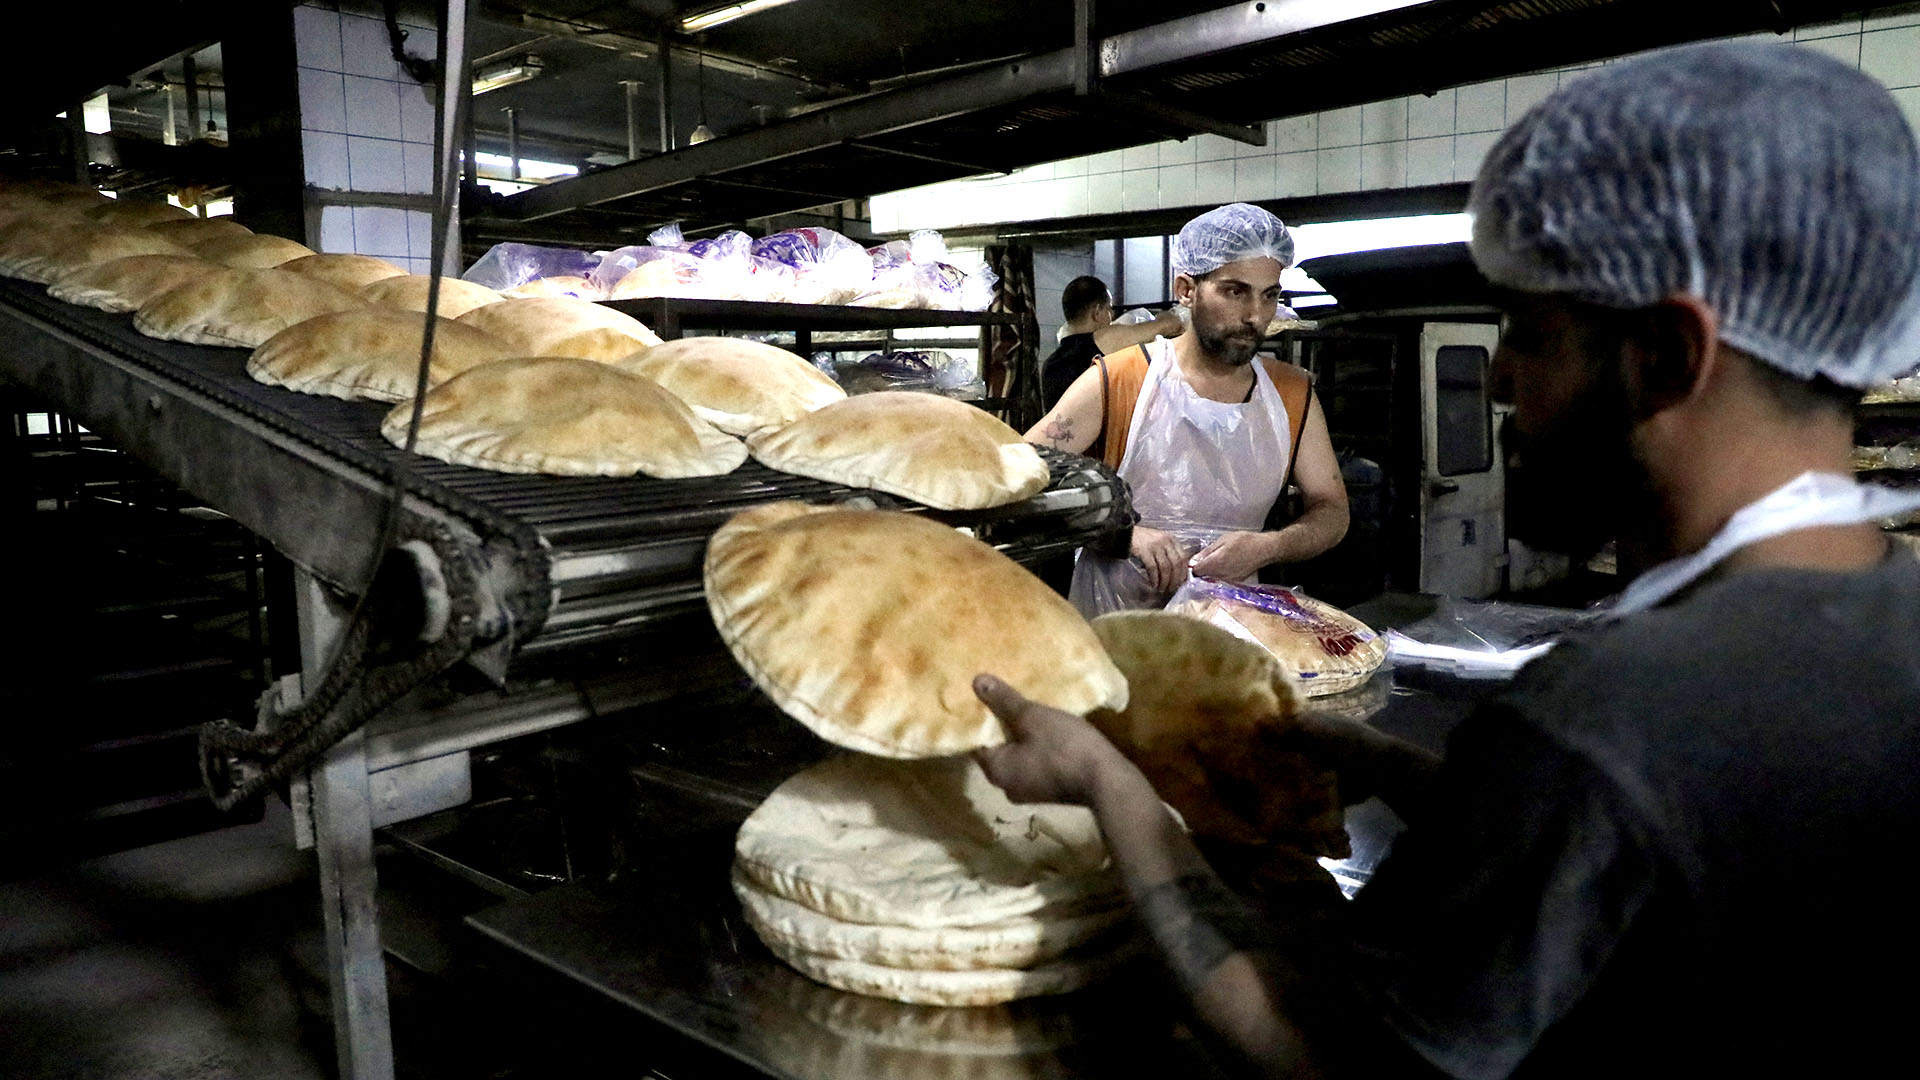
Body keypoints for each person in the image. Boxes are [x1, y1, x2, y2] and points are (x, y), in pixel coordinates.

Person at [975, 40, 1920, 1078]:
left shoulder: (1610, 712)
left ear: (1665, 357)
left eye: (1529, 331)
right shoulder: (1892, 612)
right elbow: (1646, 846)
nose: (1503, 377)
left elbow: (1310, 1048)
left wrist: (1112, 787)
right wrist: (1395, 766)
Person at [1028, 205, 1349, 616]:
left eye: (1269, 295)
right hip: (1115, 629)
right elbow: (1021, 478)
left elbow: (1332, 510)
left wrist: (1269, 546)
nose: (1255, 316)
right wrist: (1122, 535)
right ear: (1186, 289)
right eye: (1235, 291)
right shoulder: (1121, 379)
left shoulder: (1291, 393)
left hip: (1229, 631)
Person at [1040, 276, 1186, 412]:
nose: (1112, 316)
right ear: (1096, 312)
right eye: (1109, 308)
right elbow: (1168, 324)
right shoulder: (1103, 340)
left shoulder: (1049, 365)